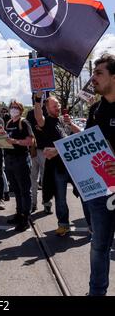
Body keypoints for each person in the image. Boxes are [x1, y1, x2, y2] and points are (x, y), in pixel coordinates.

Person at [84, 54, 115, 296]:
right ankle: (97, 292)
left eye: (99, 73)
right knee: (99, 247)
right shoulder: (95, 110)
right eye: (93, 73)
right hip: (100, 192)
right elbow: (85, 147)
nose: (92, 78)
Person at [34, 92, 81, 236]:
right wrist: (37, 99)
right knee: (60, 197)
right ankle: (63, 224)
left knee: (85, 194)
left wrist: (70, 123)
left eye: (58, 105)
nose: (58, 107)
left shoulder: (63, 120)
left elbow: (81, 134)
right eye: (54, 106)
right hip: (57, 167)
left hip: (73, 165)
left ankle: (93, 224)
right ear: (47, 108)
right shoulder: (46, 122)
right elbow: (38, 116)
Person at [5, 101, 34, 232]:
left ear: (21, 110)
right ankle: (19, 213)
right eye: (12, 107)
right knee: (16, 190)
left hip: (21, 159)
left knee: (24, 190)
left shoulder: (24, 122)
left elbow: (30, 141)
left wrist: (15, 141)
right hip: (10, 159)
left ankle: (25, 218)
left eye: (16, 108)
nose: (13, 109)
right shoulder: (9, 123)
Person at [26, 97, 51, 213]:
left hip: (45, 150)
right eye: (36, 99)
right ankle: (33, 203)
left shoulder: (47, 112)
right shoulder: (30, 113)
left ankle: (46, 203)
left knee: (45, 179)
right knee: (32, 178)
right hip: (33, 150)